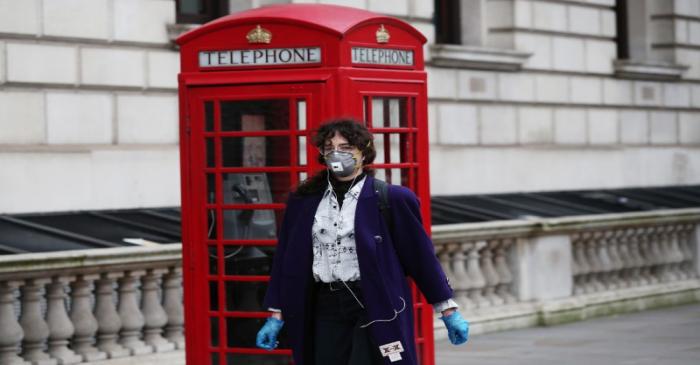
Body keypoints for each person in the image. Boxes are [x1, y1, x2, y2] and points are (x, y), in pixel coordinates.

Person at [255, 119, 469, 365]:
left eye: (346, 147)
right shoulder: (304, 200)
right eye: (329, 147)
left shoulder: (392, 198)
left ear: (363, 151)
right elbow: (286, 258)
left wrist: (447, 310)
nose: (336, 153)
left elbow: (420, 257)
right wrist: (275, 312)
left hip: (375, 302)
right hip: (325, 304)